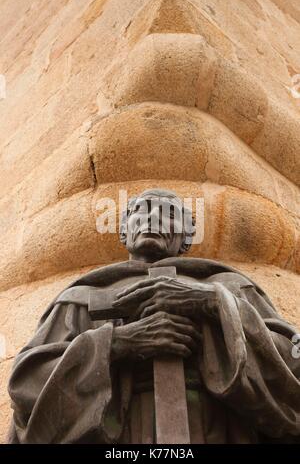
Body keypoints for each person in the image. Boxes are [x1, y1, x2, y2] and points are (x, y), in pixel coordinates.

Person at [8, 188, 300, 443]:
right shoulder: (82, 297)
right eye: (141, 212)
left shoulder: (232, 287)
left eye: (169, 215)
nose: (154, 220)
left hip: (216, 430)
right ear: (124, 231)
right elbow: (27, 386)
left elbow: (293, 363)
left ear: (186, 239)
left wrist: (214, 305)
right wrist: (117, 344)